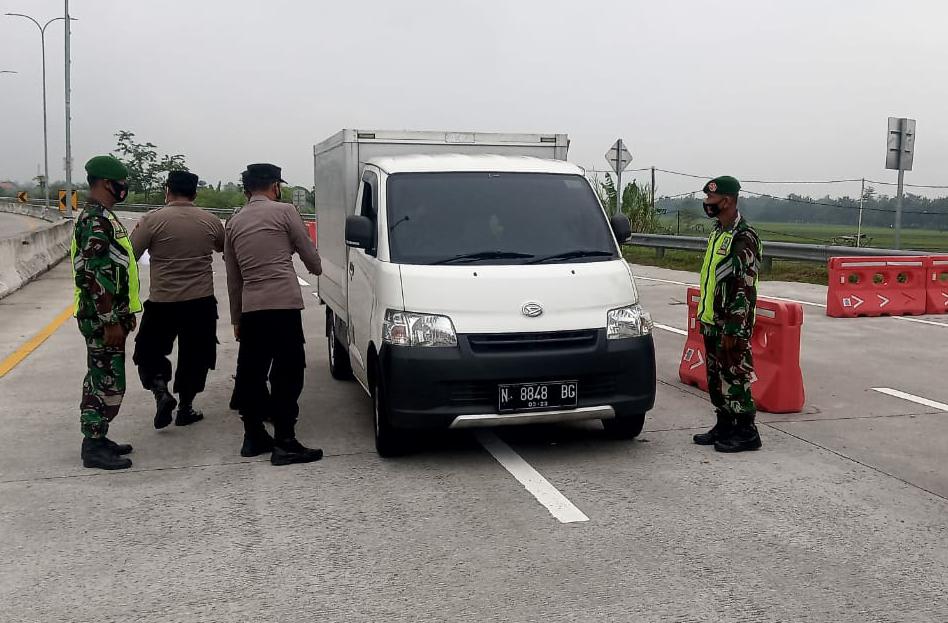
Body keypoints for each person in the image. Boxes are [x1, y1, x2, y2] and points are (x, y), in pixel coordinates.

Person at [225, 163, 323, 465]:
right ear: (274, 186)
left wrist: (237, 319)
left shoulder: (234, 221)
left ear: (247, 188)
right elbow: (308, 253)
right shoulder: (285, 212)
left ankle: (253, 436)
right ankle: (285, 441)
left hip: (252, 308)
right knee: (288, 373)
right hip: (283, 305)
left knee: (252, 373)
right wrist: (315, 266)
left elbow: (233, 277)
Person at [130, 171, 225, 429]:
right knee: (197, 355)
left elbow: (131, 254)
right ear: (194, 193)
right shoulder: (211, 221)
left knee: (149, 350)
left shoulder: (151, 221)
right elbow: (223, 247)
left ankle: (161, 390)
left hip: (162, 301)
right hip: (200, 301)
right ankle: (186, 407)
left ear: (167, 191)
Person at [72, 155, 142, 470]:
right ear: (104, 183)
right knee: (105, 381)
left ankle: (99, 438)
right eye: (120, 182)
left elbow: (116, 270)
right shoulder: (95, 220)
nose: (124, 187)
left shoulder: (102, 216)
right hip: (102, 319)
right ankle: (93, 444)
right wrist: (112, 320)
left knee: (104, 378)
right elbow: (99, 275)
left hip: (108, 315)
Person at [692, 175, 764, 453]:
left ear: (729, 200)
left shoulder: (743, 236)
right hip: (713, 320)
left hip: (732, 323)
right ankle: (724, 423)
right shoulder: (718, 233)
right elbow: (713, 279)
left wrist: (734, 327)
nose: (708, 204)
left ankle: (746, 431)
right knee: (715, 377)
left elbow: (742, 287)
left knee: (735, 376)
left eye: (712, 200)